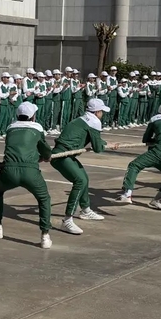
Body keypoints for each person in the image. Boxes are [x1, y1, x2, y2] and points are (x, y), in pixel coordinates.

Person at [0, 102, 53, 248]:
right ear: (33, 117)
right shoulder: (37, 128)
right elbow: (45, 149)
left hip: (8, 170)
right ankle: (45, 235)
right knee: (44, 198)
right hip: (30, 171)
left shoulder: (10, 127)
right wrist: (46, 156)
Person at [50, 98, 112, 234]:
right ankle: (67, 220)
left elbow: (96, 140)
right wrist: (103, 145)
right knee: (80, 181)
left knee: (84, 178)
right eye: (101, 111)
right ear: (97, 112)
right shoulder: (95, 121)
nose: (102, 114)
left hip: (65, 154)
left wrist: (103, 143)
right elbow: (97, 148)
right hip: (62, 155)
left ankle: (85, 210)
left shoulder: (83, 118)